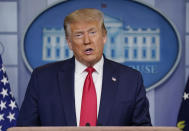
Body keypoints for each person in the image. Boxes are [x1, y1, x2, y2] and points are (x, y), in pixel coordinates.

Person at [17, 8, 152, 126]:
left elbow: (142, 128)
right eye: (79, 35)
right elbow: (25, 127)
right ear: (69, 42)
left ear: (104, 37)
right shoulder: (43, 78)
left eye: (93, 33)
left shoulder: (131, 79)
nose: (87, 41)